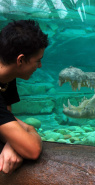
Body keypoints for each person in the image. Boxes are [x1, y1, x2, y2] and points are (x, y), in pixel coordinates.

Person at [0, 19, 48, 173]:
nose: (40, 66)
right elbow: (32, 150)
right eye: (38, 61)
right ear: (20, 60)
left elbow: (7, 117)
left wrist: (12, 142)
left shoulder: (7, 77)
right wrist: (30, 129)